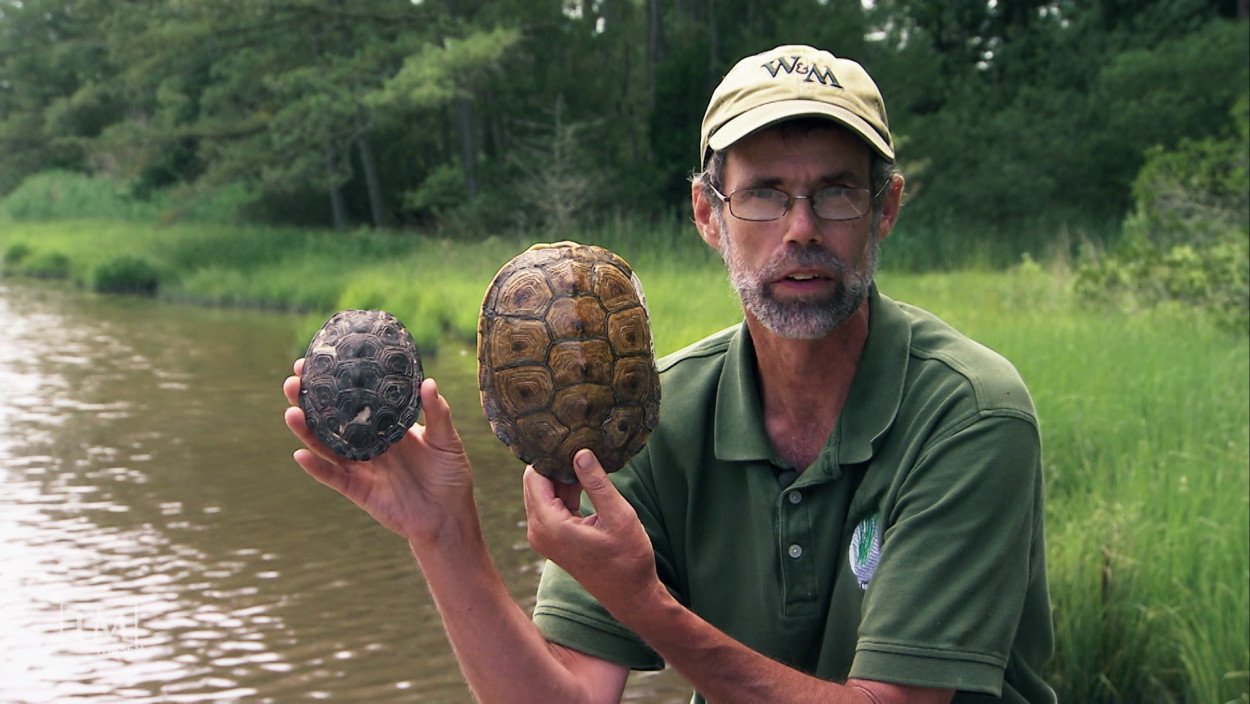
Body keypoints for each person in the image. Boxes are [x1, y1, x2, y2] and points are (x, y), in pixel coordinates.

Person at [283, 44, 1056, 704]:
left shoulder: (969, 413)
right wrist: (444, 535)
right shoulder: (648, 416)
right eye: (762, 194)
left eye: (836, 191)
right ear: (706, 213)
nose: (801, 229)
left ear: (884, 208)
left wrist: (645, 603)